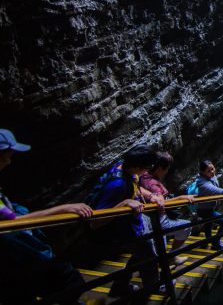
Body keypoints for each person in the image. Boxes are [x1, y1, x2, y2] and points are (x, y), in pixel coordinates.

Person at [0, 129, 93, 304]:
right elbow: (11, 222)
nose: (9, 161)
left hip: (15, 255)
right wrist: (64, 208)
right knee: (70, 281)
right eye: (7, 156)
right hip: (15, 253)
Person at [88, 144, 160, 297]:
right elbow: (95, 222)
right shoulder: (117, 185)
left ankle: (119, 288)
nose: (148, 171)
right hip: (127, 231)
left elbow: (135, 185)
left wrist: (150, 196)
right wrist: (124, 203)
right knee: (149, 260)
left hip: (136, 223)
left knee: (140, 256)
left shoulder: (123, 167)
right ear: (136, 166)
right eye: (146, 168)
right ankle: (152, 289)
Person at [139, 151, 195, 266]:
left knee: (146, 252)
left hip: (146, 219)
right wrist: (181, 197)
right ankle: (170, 259)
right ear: (160, 168)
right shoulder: (153, 184)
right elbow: (162, 203)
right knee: (186, 226)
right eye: (166, 169)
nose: (167, 172)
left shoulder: (142, 174)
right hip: (157, 220)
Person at [195, 160, 223, 250]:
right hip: (203, 210)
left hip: (209, 207)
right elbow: (214, 189)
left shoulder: (210, 177)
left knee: (208, 223)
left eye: (213, 169)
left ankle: (208, 241)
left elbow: (215, 187)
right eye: (209, 171)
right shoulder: (202, 182)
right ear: (202, 172)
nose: (212, 172)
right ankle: (216, 242)